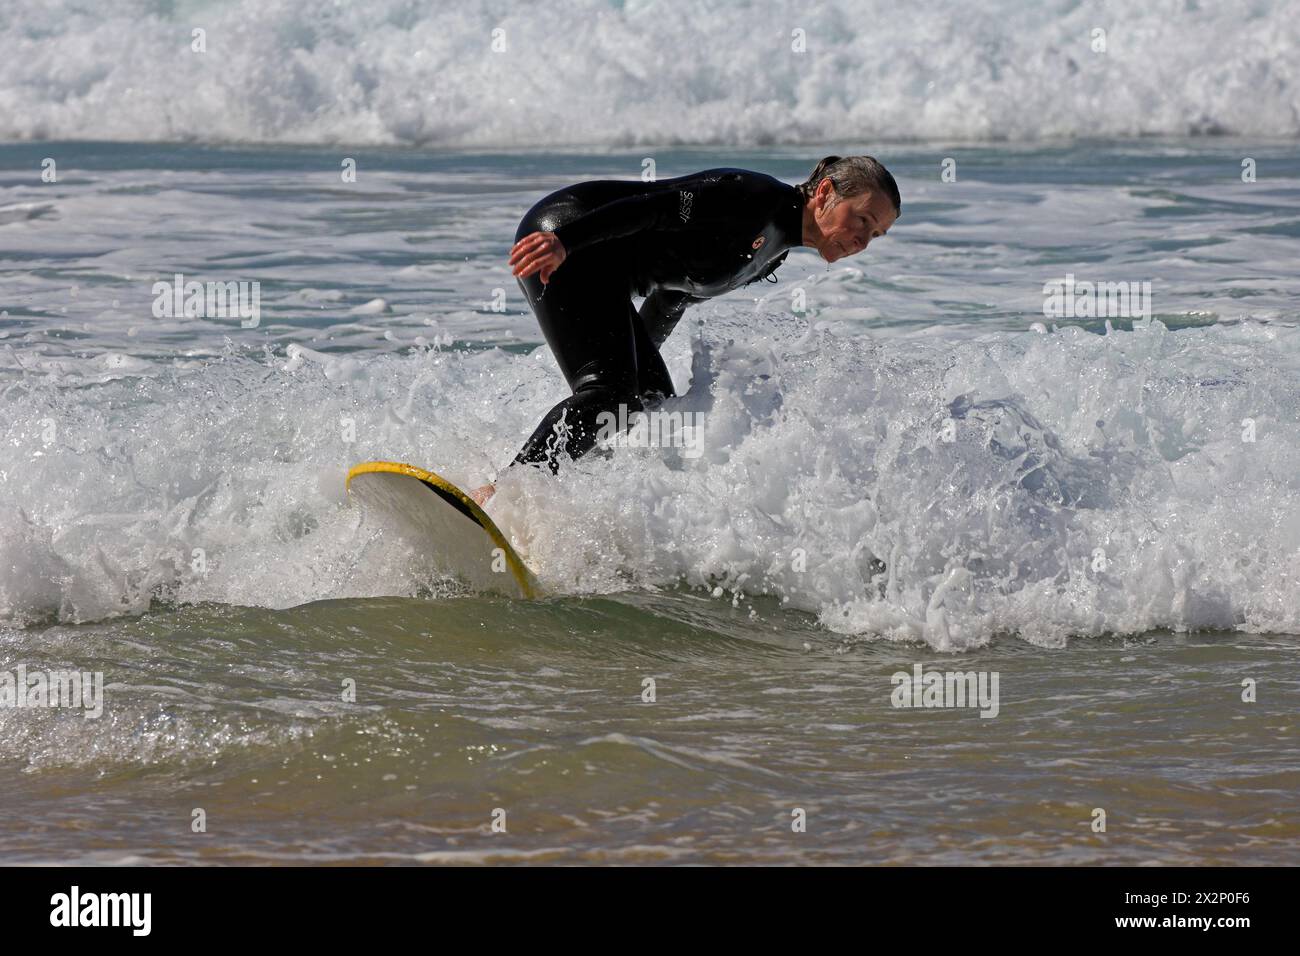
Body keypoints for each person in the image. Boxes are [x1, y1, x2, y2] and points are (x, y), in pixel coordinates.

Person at [469, 155, 900, 505]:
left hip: (601, 272)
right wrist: (566, 242)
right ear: (825, 192)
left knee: (657, 411)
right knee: (611, 393)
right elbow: (654, 207)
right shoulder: (752, 197)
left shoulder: (771, 254)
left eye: (875, 234)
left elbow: (672, 297)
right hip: (566, 243)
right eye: (861, 219)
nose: (863, 240)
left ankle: (567, 497)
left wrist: (638, 361)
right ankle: (504, 493)